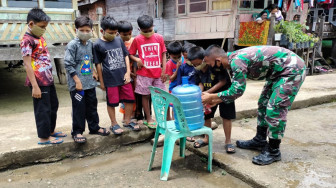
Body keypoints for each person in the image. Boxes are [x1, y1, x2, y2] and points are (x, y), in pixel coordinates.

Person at [202, 45, 306, 165]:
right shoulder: (231, 61)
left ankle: (273, 150)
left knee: (275, 108)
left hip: (292, 70)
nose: (209, 67)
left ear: (218, 61)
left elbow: (237, 90)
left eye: (210, 64)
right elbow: (232, 93)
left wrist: (211, 97)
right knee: (263, 103)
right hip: (277, 73)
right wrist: (214, 100)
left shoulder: (237, 61)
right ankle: (260, 140)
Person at [20, 8, 65, 145]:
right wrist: (34, 86)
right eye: (42, 27)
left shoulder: (40, 37)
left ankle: (50, 130)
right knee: (42, 110)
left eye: (45, 27)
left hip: (48, 79)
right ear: (31, 24)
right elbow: (27, 65)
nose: (44, 29)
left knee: (53, 105)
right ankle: (44, 137)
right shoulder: (26, 41)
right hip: (38, 82)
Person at [64, 16, 110, 143]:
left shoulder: (90, 44)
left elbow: (89, 61)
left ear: (91, 30)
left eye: (87, 30)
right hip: (78, 86)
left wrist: (94, 71)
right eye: (82, 30)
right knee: (79, 108)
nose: (85, 33)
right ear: (76, 30)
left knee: (92, 106)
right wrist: (77, 81)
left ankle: (94, 127)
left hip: (90, 83)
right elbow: (68, 64)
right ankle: (77, 132)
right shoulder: (72, 45)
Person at [94, 16, 139, 135]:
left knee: (130, 99)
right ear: (102, 31)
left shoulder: (119, 40)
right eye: (110, 33)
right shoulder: (97, 44)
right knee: (111, 102)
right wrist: (102, 81)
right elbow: (98, 64)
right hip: (110, 79)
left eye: (115, 32)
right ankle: (114, 123)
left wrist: (128, 72)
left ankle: (127, 120)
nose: (113, 34)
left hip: (124, 77)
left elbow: (126, 55)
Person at [191, 46, 236, 153]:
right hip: (208, 94)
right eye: (194, 64)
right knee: (207, 115)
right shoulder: (197, 70)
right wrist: (200, 92)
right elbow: (200, 82)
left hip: (225, 93)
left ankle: (228, 141)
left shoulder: (216, 65)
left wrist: (208, 93)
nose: (196, 66)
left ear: (205, 59)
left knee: (226, 116)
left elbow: (223, 82)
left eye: (197, 63)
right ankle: (206, 138)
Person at [129, 15, 167, 129]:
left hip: (158, 73)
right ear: (139, 29)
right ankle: (149, 118)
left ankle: (161, 118)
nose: (148, 33)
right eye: (145, 31)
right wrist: (137, 59)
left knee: (161, 96)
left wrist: (164, 70)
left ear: (153, 26)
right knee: (145, 96)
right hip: (144, 74)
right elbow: (130, 54)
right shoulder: (137, 39)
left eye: (150, 30)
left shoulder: (159, 37)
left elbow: (164, 53)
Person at [118, 20, 137, 124]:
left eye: (130, 33)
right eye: (125, 34)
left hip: (134, 72)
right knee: (125, 96)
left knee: (132, 95)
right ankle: (125, 115)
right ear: (119, 33)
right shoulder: (117, 42)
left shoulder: (134, 41)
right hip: (123, 73)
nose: (128, 36)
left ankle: (132, 115)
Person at [165, 41, 185, 120]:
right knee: (174, 106)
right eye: (174, 58)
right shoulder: (169, 64)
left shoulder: (185, 60)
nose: (177, 59)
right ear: (169, 55)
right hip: (174, 88)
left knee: (182, 105)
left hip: (183, 87)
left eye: (179, 57)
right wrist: (177, 69)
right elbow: (171, 78)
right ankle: (174, 122)